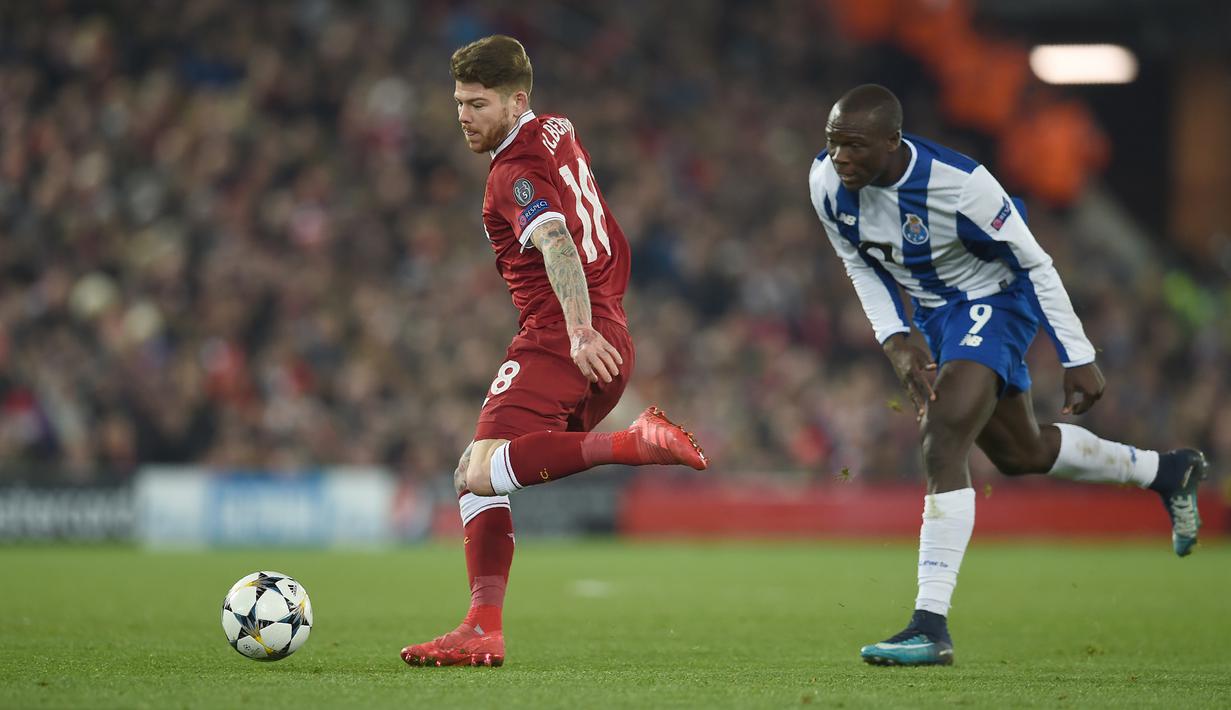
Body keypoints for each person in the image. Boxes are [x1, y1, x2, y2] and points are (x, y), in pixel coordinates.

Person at [808, 84, 1207, 667]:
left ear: (893, 142)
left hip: (991, 299)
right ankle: (1167, 471)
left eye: (854, 147)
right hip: (936, 316)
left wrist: (1077, 354)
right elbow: (856, 262)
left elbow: (1034, 260)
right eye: (832, 143)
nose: (840, 158)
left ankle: (929, 625)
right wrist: (895, 342)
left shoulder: (961, 184)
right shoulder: (826, 183)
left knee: (942, 434)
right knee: (1023, 453)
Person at [400, 35, 707, 669]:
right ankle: (482, 626)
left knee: (480, 472)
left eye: (478, 104)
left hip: (564, 335)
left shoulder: (512, 174)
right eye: (458, 102)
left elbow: (559, 243)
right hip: (607, 328)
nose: (463, 116)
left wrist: (576, 331)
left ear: (516, 102)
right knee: (473, 473)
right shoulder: (555, 128)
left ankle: (633, 443)